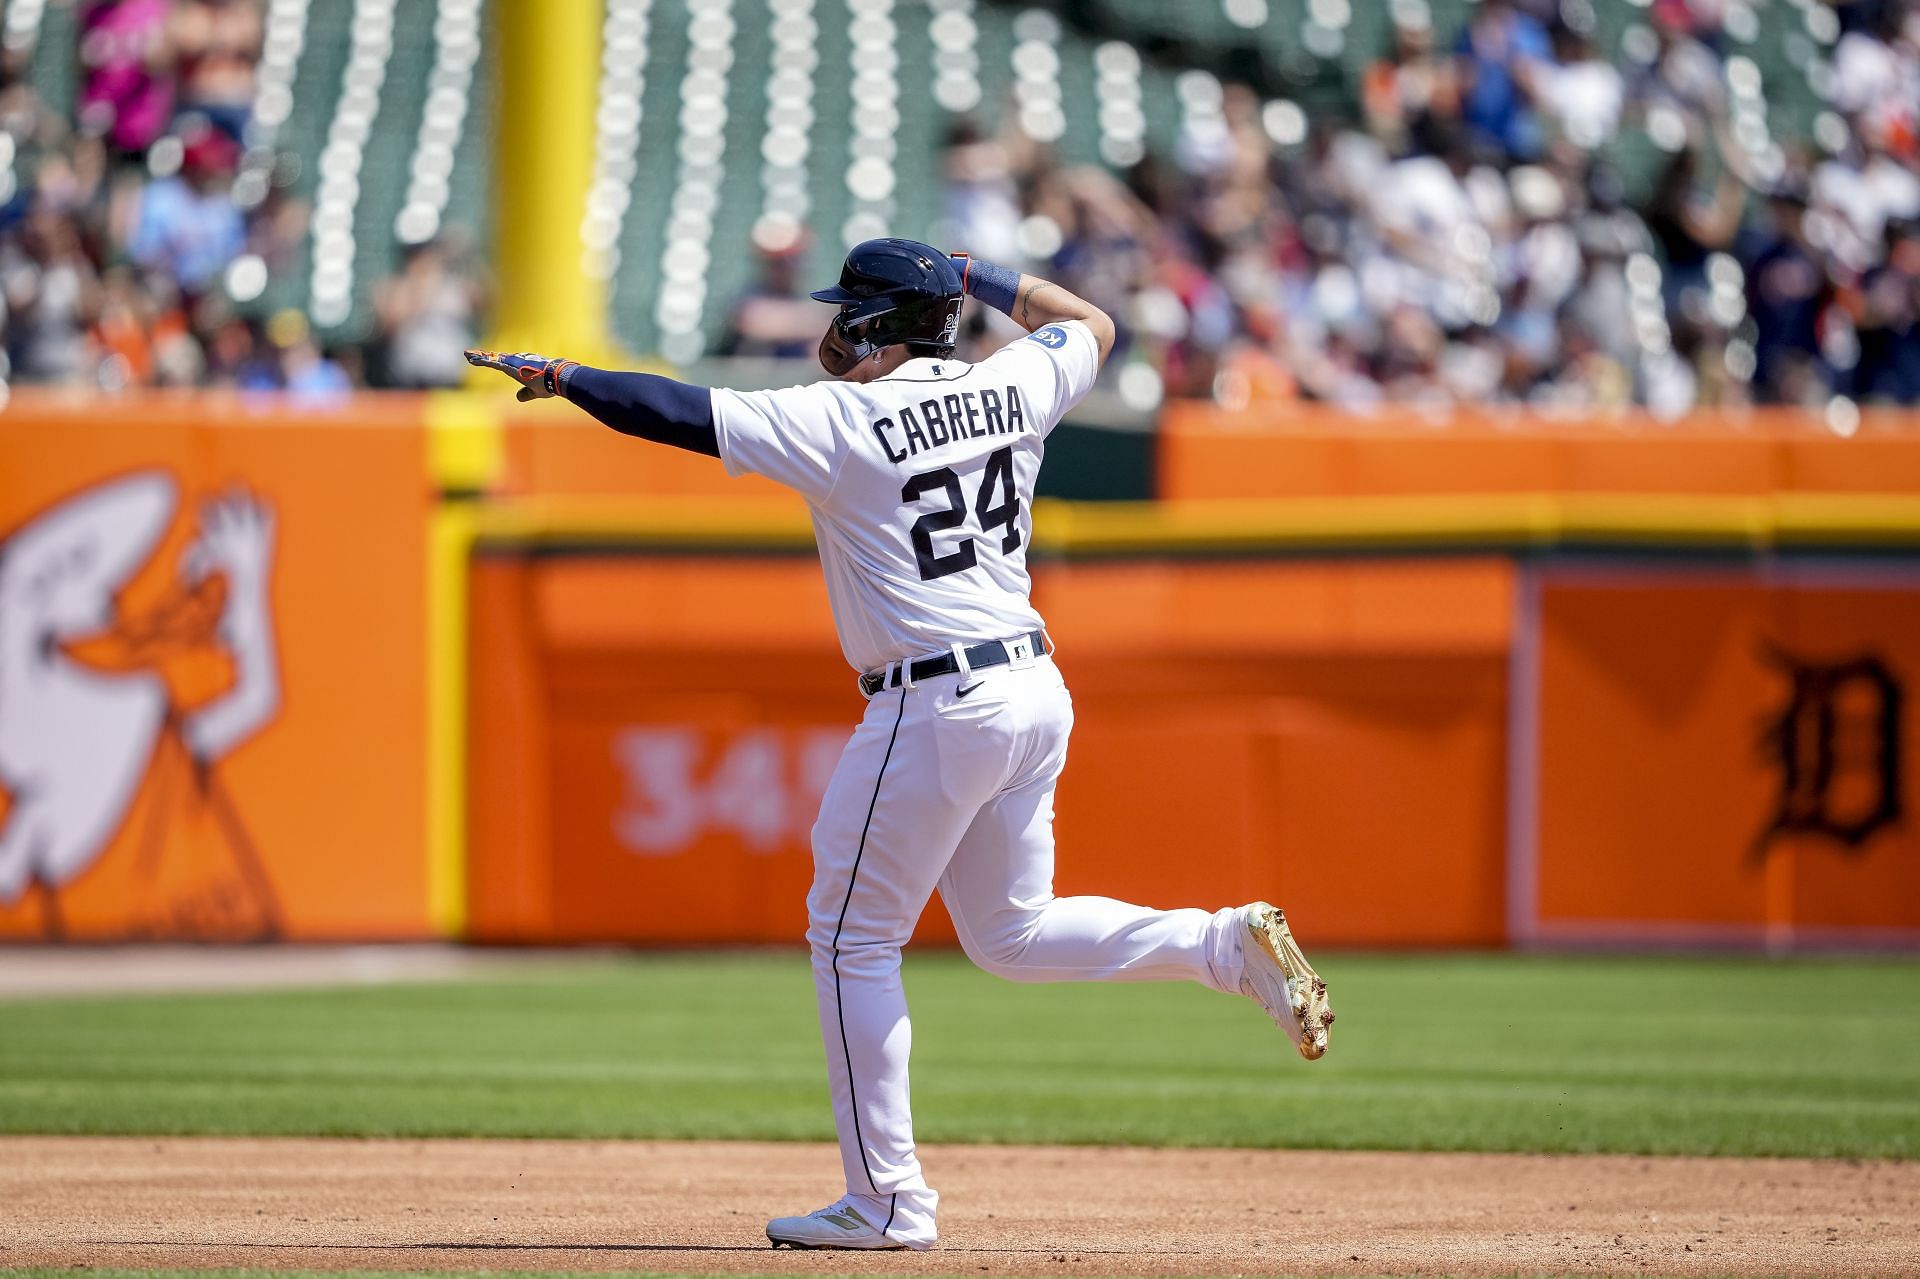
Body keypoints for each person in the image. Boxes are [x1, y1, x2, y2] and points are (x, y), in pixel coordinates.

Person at [464, 237, 1335, 1252]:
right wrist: (979, 273)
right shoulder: (1012, 385)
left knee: (849, 937)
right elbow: (1092, 324)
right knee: (1010, 934)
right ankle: (1223, 944)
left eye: (849, 307)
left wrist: (564, 376)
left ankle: (886, 1200)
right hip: (1032, 684)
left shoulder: (841, 417)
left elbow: (677, 412)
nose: (834, 322)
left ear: (875, 320)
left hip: (937, 697)